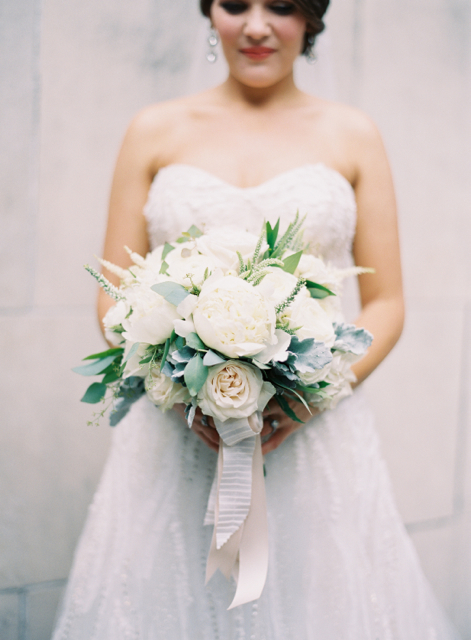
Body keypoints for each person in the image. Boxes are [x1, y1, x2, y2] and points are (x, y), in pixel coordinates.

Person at [52, 1, 461, 638]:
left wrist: (306, 400)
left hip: (312, 436)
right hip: (175, 437)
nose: (257, 25)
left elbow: (387, 302)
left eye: (282, 6)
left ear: (312, 18)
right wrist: (183, 388)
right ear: (210, 13)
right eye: (235, 4)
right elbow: (113, 291)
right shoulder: (153, 129)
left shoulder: (354, 134)